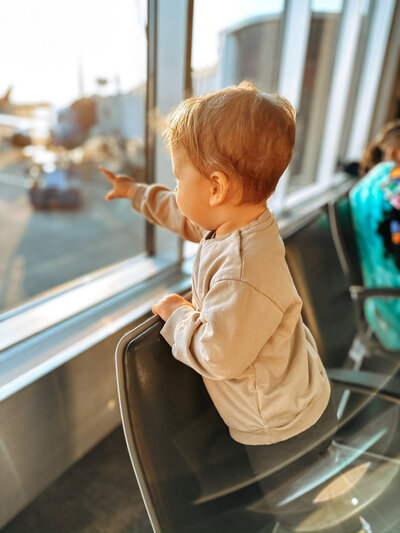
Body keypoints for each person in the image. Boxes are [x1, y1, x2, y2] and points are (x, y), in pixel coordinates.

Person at [99, 82, 336, 496]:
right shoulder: (239, 223)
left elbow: (220, 355)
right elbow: (183, 214)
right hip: (292, 402)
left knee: (302, 509)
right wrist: (135, 193)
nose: (174, 189)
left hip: (283, 429)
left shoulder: (244, 269)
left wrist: (178, 314)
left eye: (177, 177)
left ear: (216, 188)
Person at [350, 120, 400, 350]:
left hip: (383, 303)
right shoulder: (390, 185)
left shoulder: (368, 188)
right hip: (392, 308)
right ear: (395, 152)